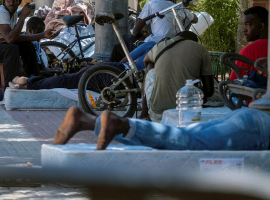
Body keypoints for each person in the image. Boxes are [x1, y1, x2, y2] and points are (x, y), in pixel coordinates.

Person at [53, 106, 270, 151]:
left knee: (187, 136)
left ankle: (84, 120)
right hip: (260, 128)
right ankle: (122, 125)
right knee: (191, 143)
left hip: (250, 115)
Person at [8, 41, 156, 90]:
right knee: (70, 79)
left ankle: (29, 82)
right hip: (122, 79)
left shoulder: (152, 45)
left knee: (69, 79)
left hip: (117, 71)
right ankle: (29, 82)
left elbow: (125, 60)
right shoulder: (158, 52)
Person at [109, 0, 198, 62]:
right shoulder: (180, 7)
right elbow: (195, 19)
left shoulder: (152, 4)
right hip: (172, 44)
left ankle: (111, 75)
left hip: (154, 44)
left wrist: (141, 34)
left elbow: (135, 32)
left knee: (119, 47)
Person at [141, 30, 214, 121]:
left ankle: (144, 113)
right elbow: (209, 91)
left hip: (157, 114)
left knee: (150, 67)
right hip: (187, 113)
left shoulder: (160, 46)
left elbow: (145, 60)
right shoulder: (201, 49)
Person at [0, 0, 58, 88]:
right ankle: (9, 86)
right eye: (8, 0)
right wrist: (22, 16)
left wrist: (43, 35)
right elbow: (9, 39)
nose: (11, 3)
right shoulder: (2, 12)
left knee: (27, 46)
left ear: (19, 2)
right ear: (4, 1)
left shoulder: (12, 13)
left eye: (15, 0)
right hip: (4, 47)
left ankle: (34, 80)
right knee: (12, 49)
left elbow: (16, 37)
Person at [230, 6, 268, 80]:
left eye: (248, 25)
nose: (244, 30)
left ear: (261, 26)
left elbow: (233, 82)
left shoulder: (248, 51)